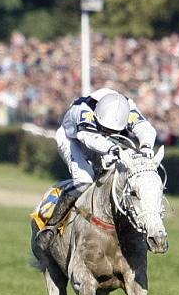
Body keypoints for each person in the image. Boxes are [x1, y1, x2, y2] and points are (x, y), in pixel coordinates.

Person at [35, 87, 158, 250]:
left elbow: (146, 129)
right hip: (74, 141)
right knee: (85, 181)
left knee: (119, 179)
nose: (108, 132)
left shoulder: (127, 108)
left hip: (108, 144)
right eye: (106, 129)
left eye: (112, 130)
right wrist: (113, 149)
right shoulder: (83, 110)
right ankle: (51, 226)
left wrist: (147, 147)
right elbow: (88, 137)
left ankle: (138, 231)